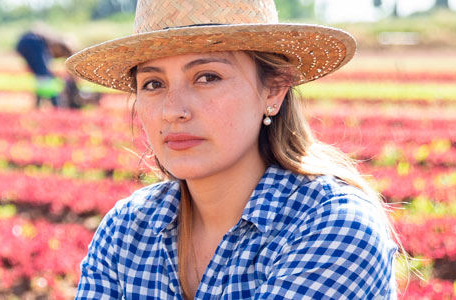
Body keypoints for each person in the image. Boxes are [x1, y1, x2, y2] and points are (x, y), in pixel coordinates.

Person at [63, 0, 401, 299]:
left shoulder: (332, 225)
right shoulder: (126, 230)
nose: (173, 110)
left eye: (207, 77)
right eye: (153, 84)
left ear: (274, 91)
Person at [14, 24, 95, 109]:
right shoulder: (62, 46)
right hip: (31, 43)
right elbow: (64, 68)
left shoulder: (56, 45)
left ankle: (42, 105)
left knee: (42, 76)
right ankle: (55, 105)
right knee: (44, 75)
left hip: (23, 43)